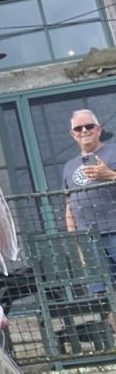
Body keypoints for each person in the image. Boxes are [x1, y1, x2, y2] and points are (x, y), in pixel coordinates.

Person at [63, 109, 116, 286]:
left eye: (89, 126)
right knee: (104, 293)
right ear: (73, 135)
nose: (84, 131)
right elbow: (69, 206)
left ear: (99, 130)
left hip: (114, 230)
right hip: (89, 237)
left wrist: (110, 175)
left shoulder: (113, 151)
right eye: (78, 128)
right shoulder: (69, 166)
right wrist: (77, 245)